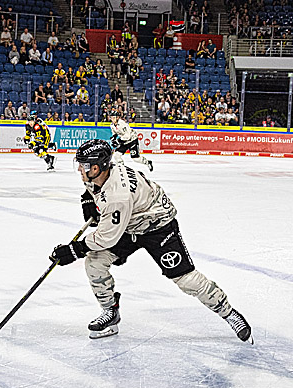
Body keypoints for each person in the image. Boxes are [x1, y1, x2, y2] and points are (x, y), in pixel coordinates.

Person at [50, 139, 252, 343]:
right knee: (95, 263)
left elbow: (105, 237)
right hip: (129, 224)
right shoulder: (104, 170)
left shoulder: (117, 195)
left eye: (83, 165)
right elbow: (96, 195)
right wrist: (87, 198)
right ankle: (110, 312)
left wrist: (74, 250)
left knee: (185, 279)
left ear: (96, 168)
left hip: (158, 226)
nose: (79, 169)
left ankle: (229, 313)